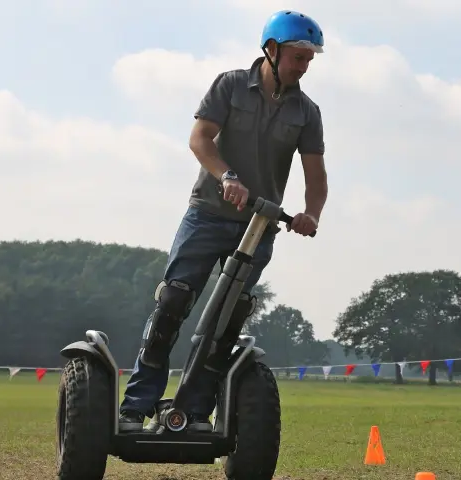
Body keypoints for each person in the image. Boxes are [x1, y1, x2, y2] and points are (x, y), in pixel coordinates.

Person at [118, 10, 328, 433]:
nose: (303, 66)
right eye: (297, 56)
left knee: (226, 322)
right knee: (173, 303)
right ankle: (135, 406)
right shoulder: (230, 85)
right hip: (207, 214)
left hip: (258, 226)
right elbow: (200, 138)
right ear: (271, 50)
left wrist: (311, 214)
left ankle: (194, 413)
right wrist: (227, 176)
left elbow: (316, 176)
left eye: (309, 58)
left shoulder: (307, 111)